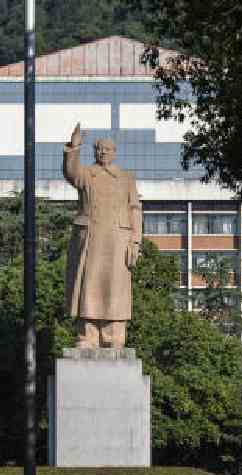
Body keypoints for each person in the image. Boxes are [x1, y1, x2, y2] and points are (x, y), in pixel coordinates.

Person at [63, 122, 142, 349]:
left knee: (114, 286)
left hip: (118, 240)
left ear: (115, 153)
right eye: (99, 149)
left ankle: (113, 337)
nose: (103, 153)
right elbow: (71, 172)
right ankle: (87, 335)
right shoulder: (87, 175)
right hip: (91, 237)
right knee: (88, 283)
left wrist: (135, 241)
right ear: (95, 152)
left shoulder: (126, 178)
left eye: (107, 149)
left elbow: (135, 209)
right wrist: (74, 147)